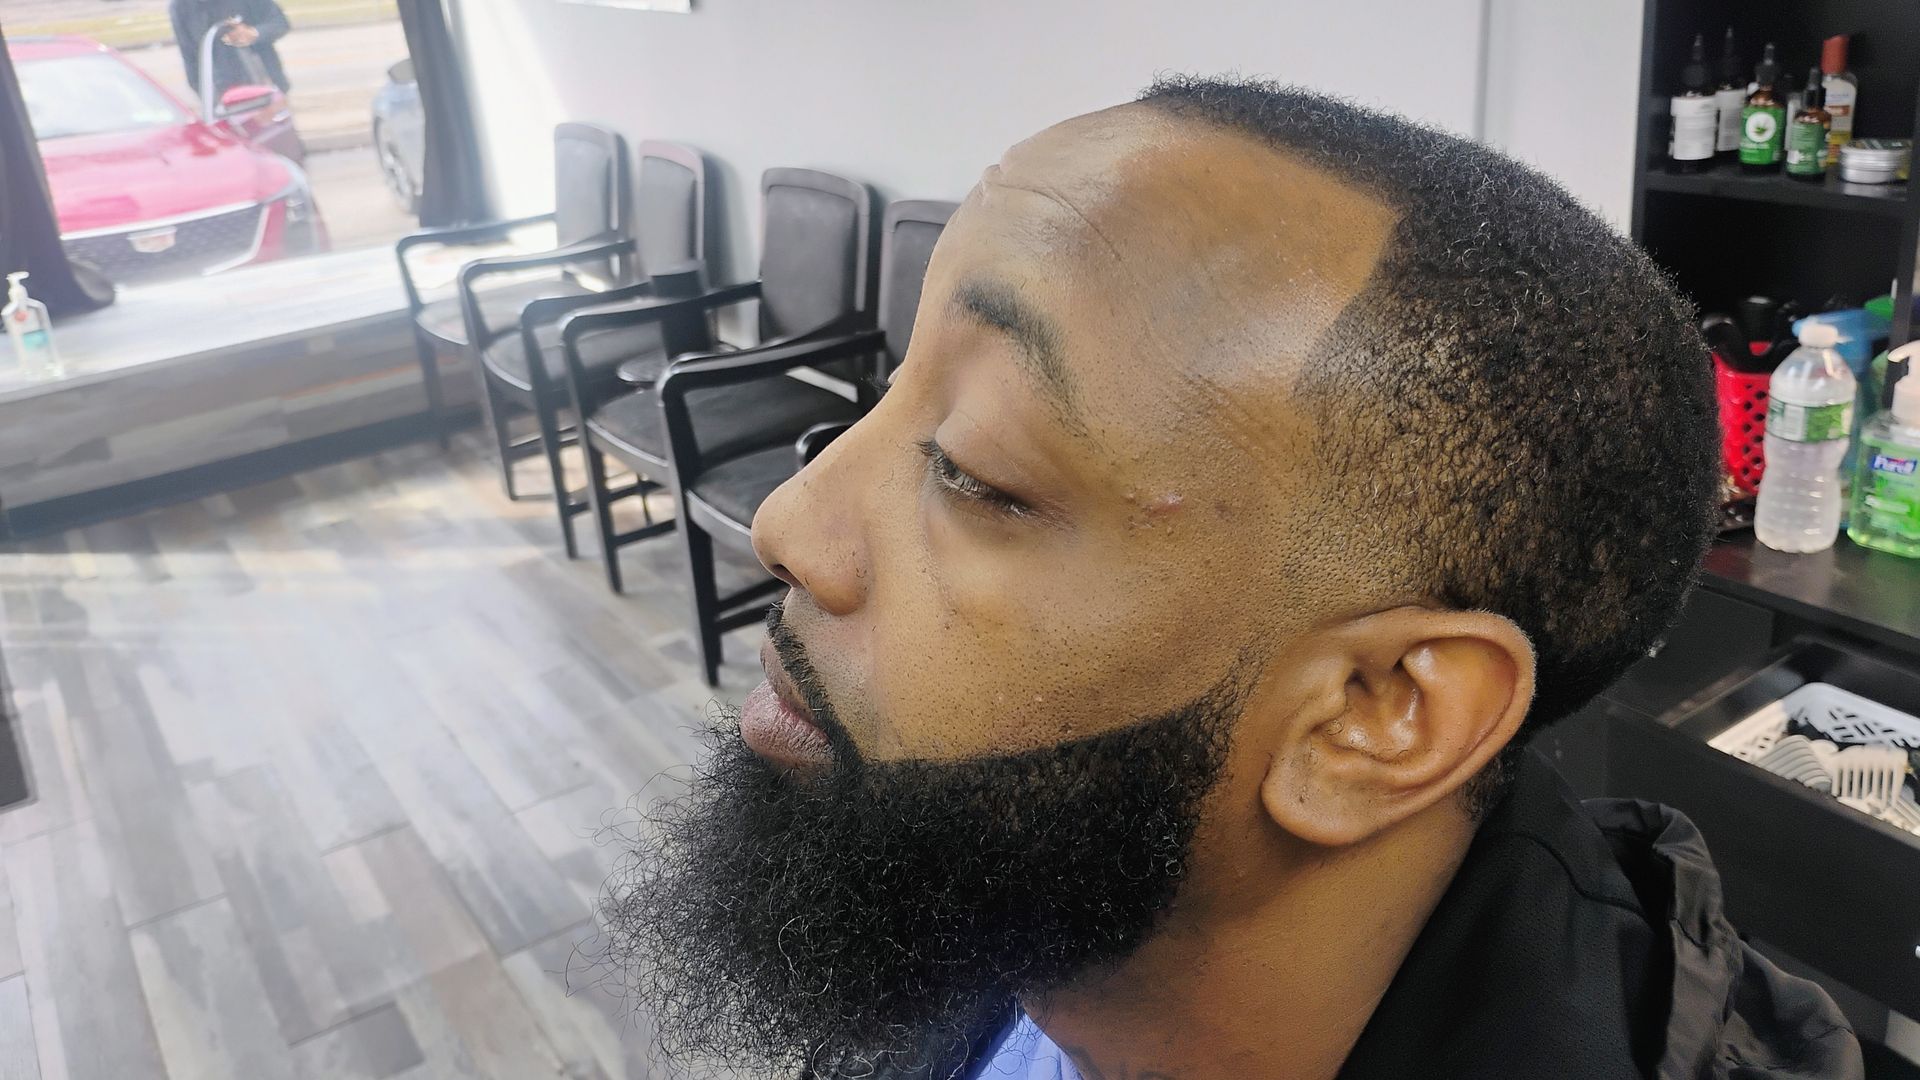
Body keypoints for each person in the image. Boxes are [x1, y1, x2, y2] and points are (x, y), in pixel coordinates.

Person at [600, 76, 1865, 1080]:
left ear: (1376, 711)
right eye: (894, 391)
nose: (787, 523)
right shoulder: (1008, 884)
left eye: (979, 473)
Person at [169, 0, 292, 99]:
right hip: (223, 100)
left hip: (267, 90)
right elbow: (190, 57)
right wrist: (206, 97)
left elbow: (280, 22)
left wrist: (253, 33)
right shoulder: (180, 6)